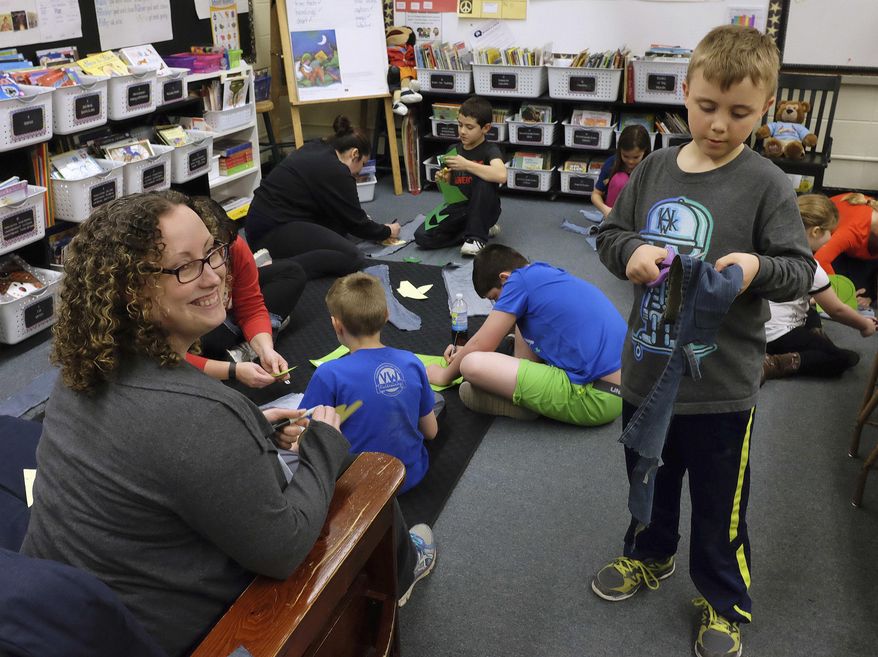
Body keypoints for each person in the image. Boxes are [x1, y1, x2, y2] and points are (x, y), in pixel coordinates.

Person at [19, 191, 432, 656]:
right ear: (131, 289)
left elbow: (159, 451)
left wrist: (250, 426)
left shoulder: (80, 372)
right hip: (194, 633)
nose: (214, 274)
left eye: (213, 253)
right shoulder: (203, 413)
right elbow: (284, 547)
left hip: (74, 616)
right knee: (366, 480)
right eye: (185, 266)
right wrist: (325, 444)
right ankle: (404, 569)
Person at [594, 25, 815, 657]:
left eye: (740, 113)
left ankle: (723, 599)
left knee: (721, 507)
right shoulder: (656, 166)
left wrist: (754, 268)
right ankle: (650, 553)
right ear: (684, 92)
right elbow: (610, 237)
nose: (719, 124)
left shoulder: (769, 182)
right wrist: (632, 251)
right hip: (645, 372)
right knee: (649, 481)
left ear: (764, 108)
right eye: (707, 106)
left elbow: (800, 270)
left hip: (722, 387)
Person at [426, 244, 626, 427]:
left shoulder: (517, 282)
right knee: (520, 317)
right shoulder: (541, 273)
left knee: (470, 364)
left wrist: (445, 374)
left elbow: (481, 345)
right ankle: (524, 390)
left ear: (504, 278)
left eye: (494, 298)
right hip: (620, 389)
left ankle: (526, 405)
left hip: (593, 397)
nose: (496, 305)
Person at [298, 272, 439, 493]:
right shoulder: (412, 361)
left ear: (336, 325)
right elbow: (431, 432)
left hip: (356, 487)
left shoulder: (328, 374)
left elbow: (305, 438)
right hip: (409, 475)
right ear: (386, 315)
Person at [245, 115, 400, 278]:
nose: (358, 173)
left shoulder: (317, 147)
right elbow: (357, 223)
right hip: (270, 233)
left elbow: (340, 212)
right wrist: (386, 230)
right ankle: (270, 268)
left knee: (339, 229)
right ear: (354, 154)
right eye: (361, 166)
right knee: (352, 257)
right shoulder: (337, 171)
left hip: (260, 224)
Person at [185, 196, 304, 388]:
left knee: (291, 272)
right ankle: (269, 326)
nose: (214, 277)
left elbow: (250, 306)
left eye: (220, 253)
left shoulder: (233, 245)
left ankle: (259, 334)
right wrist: (233, 371)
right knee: (208, 343)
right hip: (203, 331)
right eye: (209, 255)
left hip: (224, 311)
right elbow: (168, 357)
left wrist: (266, 350)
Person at [764, 193, 877, 381]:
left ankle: (816, 339)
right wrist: (864, 324)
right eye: (829, 232)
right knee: (843, 359)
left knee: (811, 307)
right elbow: (837, 310)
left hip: (754, 326)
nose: (831, 237)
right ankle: (773, 364)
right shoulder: (810, 267)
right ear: (815, 232)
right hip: (777, 335)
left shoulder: (766, 244)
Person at [414, 95, 506, 256]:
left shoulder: (490, 150)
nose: (462, 131)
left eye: (469, 127)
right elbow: (450, 193)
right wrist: (445, 181)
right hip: (461, 207)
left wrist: (467, 165)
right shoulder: (452, 150)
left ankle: (477, 237)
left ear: (486, 128)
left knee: (483, 181)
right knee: (422, 237)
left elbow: (501, 175)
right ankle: (477, 230)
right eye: (460, 125)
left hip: (486, 206)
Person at [813, 193, 878, 306]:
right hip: (826, 242)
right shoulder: (852, 230)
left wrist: (871, 297)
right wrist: (840, 294)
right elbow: (820, 259)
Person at [591, 124, 652, 218]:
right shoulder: (611, 163)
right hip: (614, 212)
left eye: (636, 157)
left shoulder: (651, 165)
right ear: (619, 151)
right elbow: (596, 194)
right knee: (620, 180)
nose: (631, 162)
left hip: (640, 212)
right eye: (625, 156)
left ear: (645, 151)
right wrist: (605, 210)